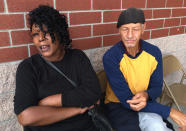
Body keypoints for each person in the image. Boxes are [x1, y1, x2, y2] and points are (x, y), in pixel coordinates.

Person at [14, 5, 101, 131]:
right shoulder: (28, 68)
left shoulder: (77, 57)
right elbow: (25, 116)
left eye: (47, 32)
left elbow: (93, 92)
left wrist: (50, 102)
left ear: (60, 32)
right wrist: (76, 110)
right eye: (35, 34)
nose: (41, 39)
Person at [103, 7, 186, 131]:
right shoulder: (111, 57)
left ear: (143, 28)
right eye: (125, 29)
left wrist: (147, 94)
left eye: (135, 29)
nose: (130, 35)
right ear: (119, 30)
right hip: (118, 105)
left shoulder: (154, 53)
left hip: (146, 102)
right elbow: (127, 100)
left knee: (158, 127)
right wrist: (170, 111)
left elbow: (157, 88)